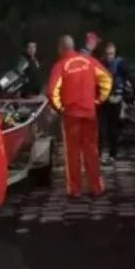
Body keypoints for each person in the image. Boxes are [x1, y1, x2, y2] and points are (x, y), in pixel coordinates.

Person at [48, 35, 113, 198]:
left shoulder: (60, 65)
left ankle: (75, 189)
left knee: (72, 153)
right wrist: (98, 100)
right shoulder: (88, 61)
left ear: (60, 49)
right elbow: (106, 79)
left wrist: (60, 108)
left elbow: (52, 91)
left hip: (70, 115)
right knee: (91, 150)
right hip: (89, 112)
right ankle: (96, 187)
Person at [98, 41, 132, 163]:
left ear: (115, 53)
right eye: (107, 54)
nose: (109, 57)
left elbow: (130, 77)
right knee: (101, 128)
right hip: (103, 100)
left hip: (116, 99)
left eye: (111, 54)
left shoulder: (121, 64)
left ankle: (113, 153)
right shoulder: (100, 64)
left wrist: (134, 96)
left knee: (114, 128)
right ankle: (100, 153)